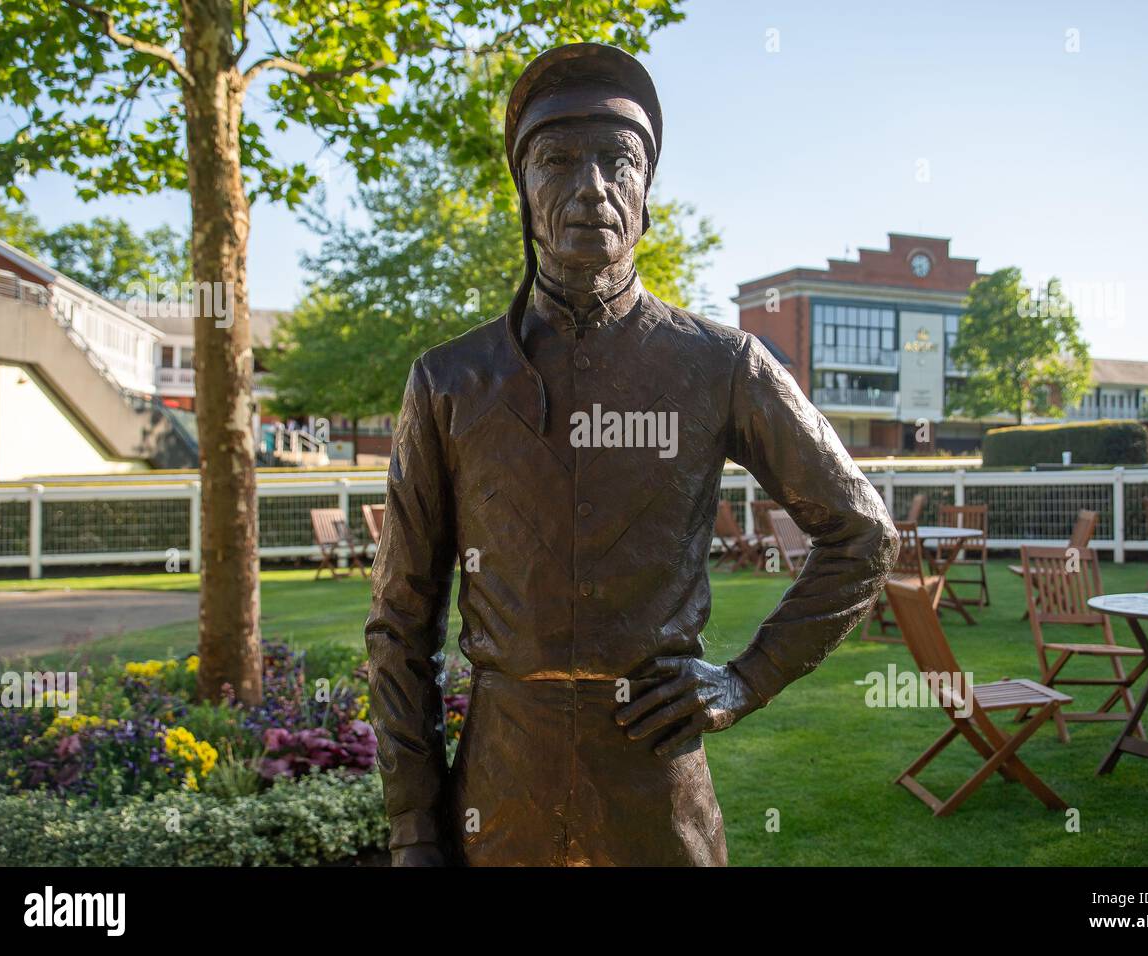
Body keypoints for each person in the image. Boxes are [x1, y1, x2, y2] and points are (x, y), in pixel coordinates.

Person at [365, 42, 898, 866]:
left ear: (647, 190)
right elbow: (401, 624)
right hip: (501, 797)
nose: (591, 188)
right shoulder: (450, 380)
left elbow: (862, 532)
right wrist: (413, 829)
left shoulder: (723, 365)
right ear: (523, 186)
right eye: (558, 160)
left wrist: (747, 678)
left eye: (619, 160)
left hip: (658, 796)